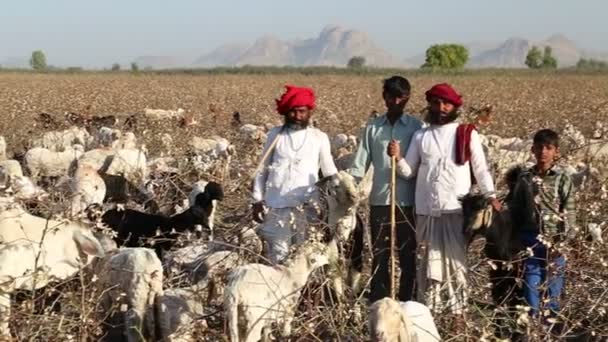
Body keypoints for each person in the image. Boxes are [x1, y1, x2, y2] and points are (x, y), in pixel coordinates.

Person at [394, 83, 500, 323]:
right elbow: (408, 171)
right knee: (426, 266)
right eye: (436, 103)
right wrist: (397, 157)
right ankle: (428, 318)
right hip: (426, 212)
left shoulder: (466, 133)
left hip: (455, 210)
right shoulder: (421, 135)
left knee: (455, 265)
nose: (441, 108)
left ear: (454, 107)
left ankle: (457, 319)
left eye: (446, 104)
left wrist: (491, 196)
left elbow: (480, 169)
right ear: (429, 105)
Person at [349, 76, 422, 303]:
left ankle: (407, 299)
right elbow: (359, 165)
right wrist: (347, 189)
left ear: (407, 98)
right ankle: (380, 299)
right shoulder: (372, 128)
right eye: (391, 97)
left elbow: (421, 164)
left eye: (401, 97)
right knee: (381, 253)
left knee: (408, 254)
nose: (396, 101)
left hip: (408, 202)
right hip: (380, 201)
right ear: (385, 97)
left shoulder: (417, 128)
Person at [251, 84, 338, 264]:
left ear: (309, 113)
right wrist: (257, 200)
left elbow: (329, 172)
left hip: (307, 208)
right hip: (276, 206)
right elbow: (262, 168)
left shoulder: (319, 137)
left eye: (302, 112)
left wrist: (337, 199)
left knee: (303, 259)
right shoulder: (275, 135)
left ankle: (305, 293)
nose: (297, 116)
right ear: (285, 112)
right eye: (293, 112)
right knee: (278, 257)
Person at [510, 129, 576, 322]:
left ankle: (550, 328)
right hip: (530, 239)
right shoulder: (524, 178)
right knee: (531, 284)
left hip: (555, 240)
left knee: (553, 288)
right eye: (539, 147)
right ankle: (533, 328)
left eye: (548, 148)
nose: (543, 152)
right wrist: (516, 239)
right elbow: (516, 209)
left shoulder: (563, 178)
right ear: (532, 149)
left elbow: (570, 212)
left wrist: (564, 242)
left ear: (556, 152)